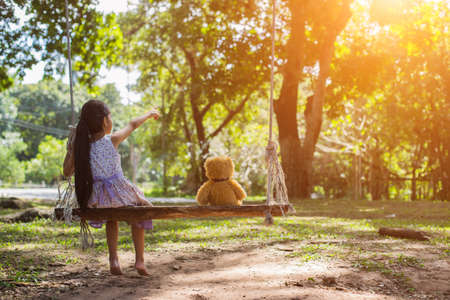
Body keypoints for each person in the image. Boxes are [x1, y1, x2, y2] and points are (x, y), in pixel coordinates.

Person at [63, 99, 160, 276]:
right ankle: (139, 260)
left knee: (111, 217)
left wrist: (71, 147)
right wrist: (149, 113)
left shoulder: (81, 148)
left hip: (97, 199)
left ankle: (113, 259)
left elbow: (66, 172)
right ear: (105, 121)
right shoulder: (112, 140)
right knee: (140, 209)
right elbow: (132, 124)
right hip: (119, 194)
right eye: (111, 116)